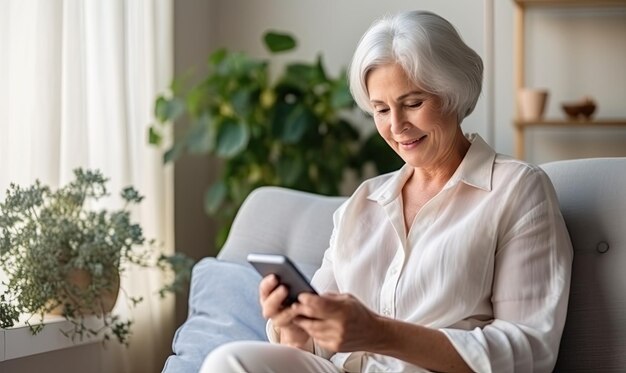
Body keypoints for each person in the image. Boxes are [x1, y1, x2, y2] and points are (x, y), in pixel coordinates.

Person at [200, 10, 572, 373]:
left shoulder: (516, 189)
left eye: (413, 104)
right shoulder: (363, 202)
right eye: (380, 109)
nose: (396, 127)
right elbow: (314, 345)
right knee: (227, 361)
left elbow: (529, 350)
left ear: (455, 93)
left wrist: (381, 334)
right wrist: (297, 329)